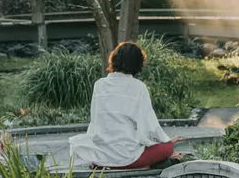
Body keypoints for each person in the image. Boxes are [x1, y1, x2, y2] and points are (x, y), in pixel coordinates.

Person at [69, 41, 179, 170]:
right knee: (167, 148)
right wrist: (166, 141)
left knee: (158, 149)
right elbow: (149, 125)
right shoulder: (139, 87)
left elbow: (95, 120)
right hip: (128, 156)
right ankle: (142, 165)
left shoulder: (99, 85)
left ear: (114, 59)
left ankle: (131, 165)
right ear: (138, 63)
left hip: (101, 155)